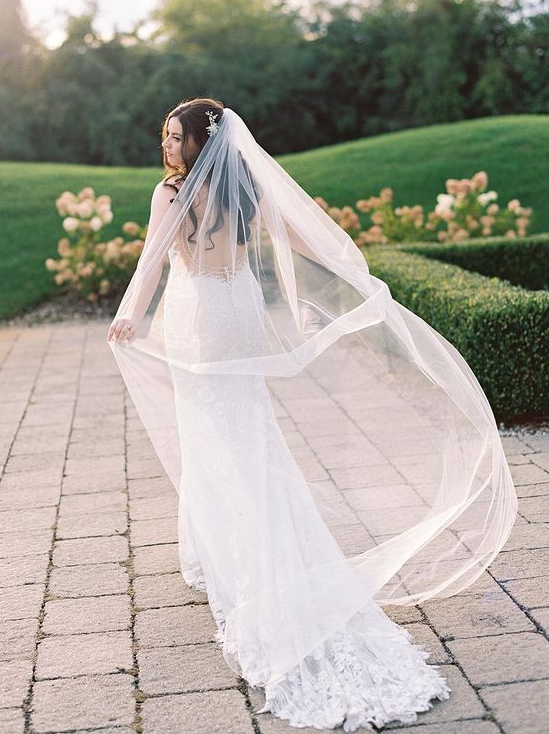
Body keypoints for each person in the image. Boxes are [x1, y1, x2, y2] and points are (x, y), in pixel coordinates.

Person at [107, 98, 517, 731]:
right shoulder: (243, 190)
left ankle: (229, 552)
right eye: (164, 136)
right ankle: (215, 543)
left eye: (174, 137)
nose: (166, 147)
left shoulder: (172, 194)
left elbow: (154, 258)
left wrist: (130, 312)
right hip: (239, 310)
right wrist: (348, 267)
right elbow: (296, 235)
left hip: (200, 320)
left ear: (197, 143)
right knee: (244, 428)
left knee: (211, 434)